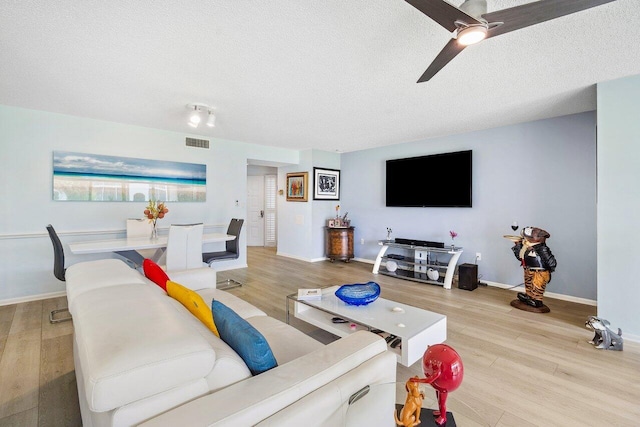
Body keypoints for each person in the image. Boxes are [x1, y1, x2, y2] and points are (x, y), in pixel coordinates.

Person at [511, 226, 557, 308]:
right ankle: (529, 296)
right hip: (528, 269)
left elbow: (552, 262)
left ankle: (537, 300)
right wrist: (518, 245)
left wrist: (548, 271)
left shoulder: (542, 249)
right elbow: (520, 257)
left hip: (539, 272)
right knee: (528, 284)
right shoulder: (526, 248)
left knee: (537, 286)